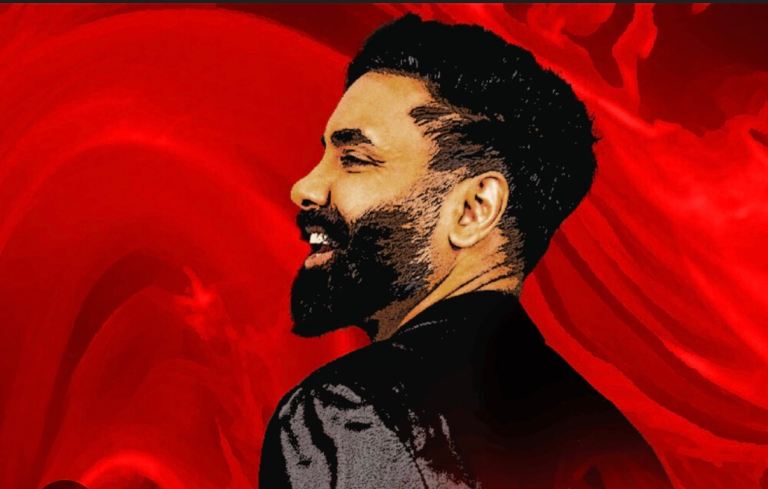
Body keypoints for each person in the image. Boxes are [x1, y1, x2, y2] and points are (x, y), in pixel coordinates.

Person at [259, 14, 672, 489]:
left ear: (474, 208)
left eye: (353, 159)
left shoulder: (346, 414)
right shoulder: (616, 446)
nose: (305, 187)